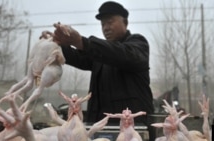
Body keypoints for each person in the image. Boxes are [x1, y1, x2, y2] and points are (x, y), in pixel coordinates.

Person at [42, 1, 155, 140]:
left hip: (131, 131)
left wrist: (81, 41)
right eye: (103, 24)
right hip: (100, 130)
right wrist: (55, 45)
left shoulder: (137, 44)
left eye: (110, 22)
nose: (106, 27)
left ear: (125, 22)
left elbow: (121, 54)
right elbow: (79, 56)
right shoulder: (100, 53)